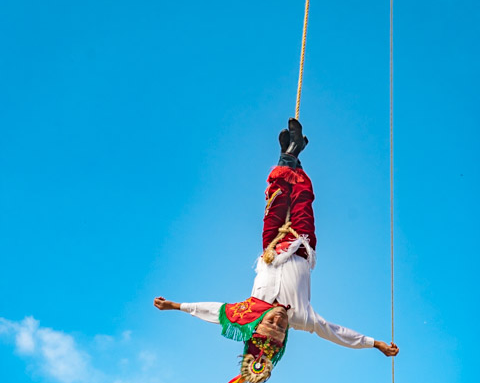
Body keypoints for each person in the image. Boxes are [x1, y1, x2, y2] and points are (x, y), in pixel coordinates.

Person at [154, 118, 398, 364]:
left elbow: (213, 311)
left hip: (272, 244)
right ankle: (292, 152)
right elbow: (336, 333)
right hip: (302, 244)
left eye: (270, 322)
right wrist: (374, 343)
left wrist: (176, 306)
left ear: (259, 324)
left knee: (277, 195)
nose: (278, 319)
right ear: (285, 333)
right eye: (281, 327)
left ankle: (290, 153)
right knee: (303, 197)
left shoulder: (248, 311)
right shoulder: (302, 318)